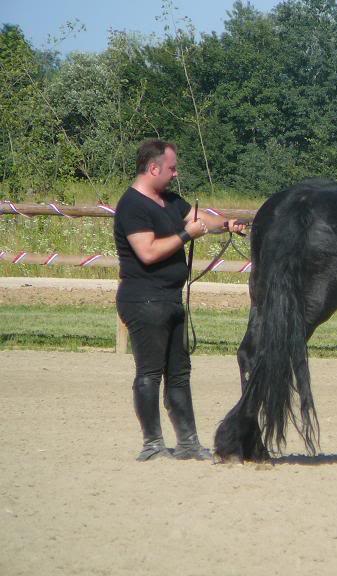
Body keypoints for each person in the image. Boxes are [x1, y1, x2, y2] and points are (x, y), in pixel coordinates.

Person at [114, 139, 246, 461]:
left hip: (170, 299)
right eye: (171, 168)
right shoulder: (132, 206)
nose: (176, 173)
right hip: (143, 300)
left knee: (179, 373)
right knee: (149, 374)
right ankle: (153, 444)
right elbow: (147, 252)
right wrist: (189, 235)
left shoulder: (170, 201)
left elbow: (198, 218)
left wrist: (225, 224)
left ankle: (187, 443)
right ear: (153, 167)